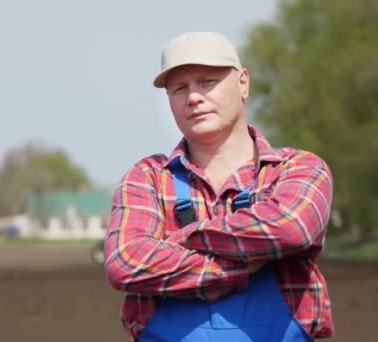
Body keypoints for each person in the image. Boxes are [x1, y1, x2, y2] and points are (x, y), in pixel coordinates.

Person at [103, 31, 334, 341]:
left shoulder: (297, 168)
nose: (193, 97)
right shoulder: (147, 177)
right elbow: (126, 261)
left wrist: (182, 238)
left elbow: (290, 228)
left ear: (243, 83)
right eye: (179, 88)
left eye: (207, 82)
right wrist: (237, 269)